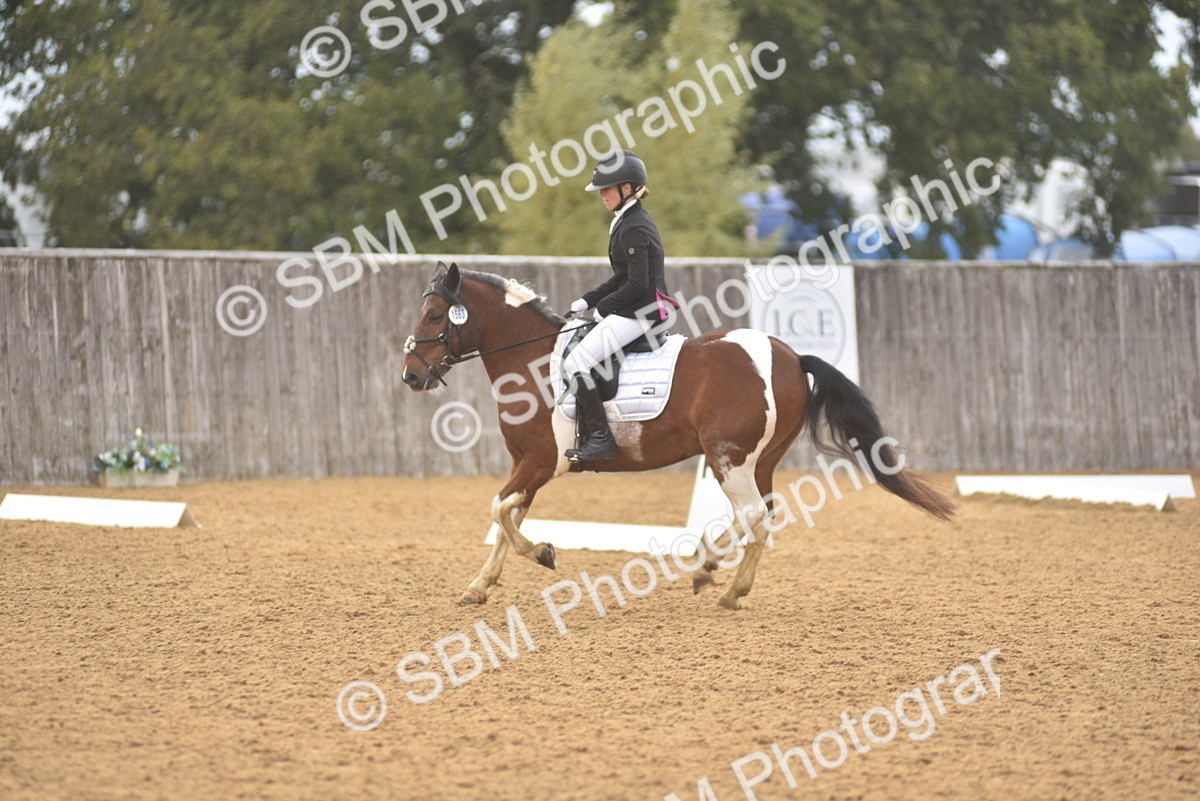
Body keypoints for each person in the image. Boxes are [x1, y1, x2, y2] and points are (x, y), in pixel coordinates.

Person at [561, 149, 673, 462]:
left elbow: (637, 286)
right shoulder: (627, 221)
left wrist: (603, 308)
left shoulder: (634, 226)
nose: (601, 195)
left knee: (576, 362)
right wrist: (587, 299)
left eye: (606, 189)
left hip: (642, 312)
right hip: (636, 306)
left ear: (627, 188)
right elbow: (621, 277)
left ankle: (600, 440)